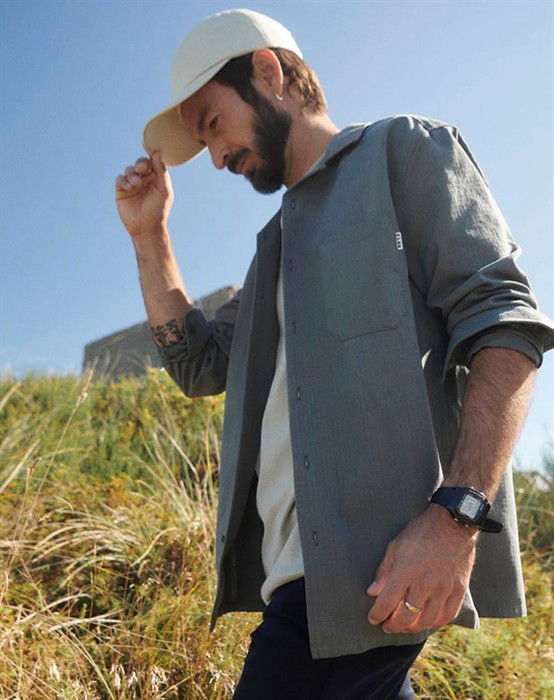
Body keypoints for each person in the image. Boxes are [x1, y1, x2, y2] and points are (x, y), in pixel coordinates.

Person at [115, 8, 554, 699]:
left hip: (375, 567)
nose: (218, 157)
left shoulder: (404, 151)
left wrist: (457, 516)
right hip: (300, 581)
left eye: (214, 124)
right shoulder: (272, 252)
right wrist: (150, 237)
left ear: (268, 72)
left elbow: (505, 323)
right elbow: (200, 365)